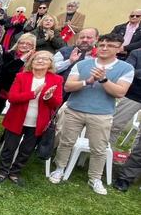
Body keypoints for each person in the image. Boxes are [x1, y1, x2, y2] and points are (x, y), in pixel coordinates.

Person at [49, 34, 134, 194]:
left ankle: (95, 178)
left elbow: (120, 92)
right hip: (75, 109)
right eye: (101, 44)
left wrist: (103, 80)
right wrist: (86, 82)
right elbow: (68, 86)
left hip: (101, 114)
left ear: (118, 49)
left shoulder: (125, 68)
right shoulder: (83, 64)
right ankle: (60, 168)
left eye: (110, 46)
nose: (104, 48)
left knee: (99, 147)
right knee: (66, 141)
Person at [0, 51, 63, 184]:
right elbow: (12, 98)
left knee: (27, 149)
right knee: (10, 146)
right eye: (37, 58)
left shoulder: (56, 79)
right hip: (17, 118)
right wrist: (32, 94)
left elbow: (57, 103)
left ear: (50, 63)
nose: (40, 61)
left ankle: (15, 172)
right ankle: (3, 170)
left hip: (38, 122)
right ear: (31, 61)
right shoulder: (21, 76)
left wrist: (48, 97)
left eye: (45, 59)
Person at [0, 33, 37, 137]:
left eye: (28, 44)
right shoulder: (9, 54)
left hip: (22, 90)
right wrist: (21, 60)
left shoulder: (35, 58)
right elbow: (6, 70)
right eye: (22, 43)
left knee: (15, 114)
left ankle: (6, 137)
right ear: (18, 43)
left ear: (33, 46)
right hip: (5, 87)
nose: (25, 45)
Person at [109, 48, 141, 149]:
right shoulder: (136, 53)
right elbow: (127, 71)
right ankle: (104, 155)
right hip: (133, 96)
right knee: (115, 125)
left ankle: (134, 161)